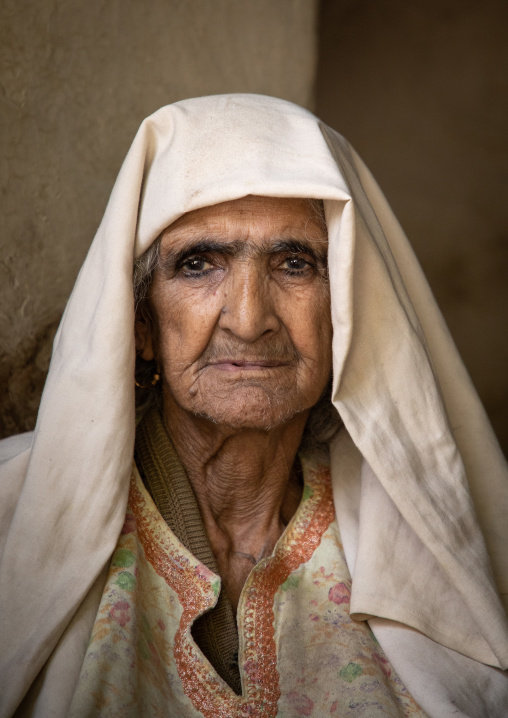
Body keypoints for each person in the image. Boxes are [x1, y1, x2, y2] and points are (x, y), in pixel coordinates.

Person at [0, 94, 507, 718]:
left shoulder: (420, 540)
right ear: (140, 324)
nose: (248, 319)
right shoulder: (12, 519)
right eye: (198, 265)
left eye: (294, 263)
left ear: (346, 312)